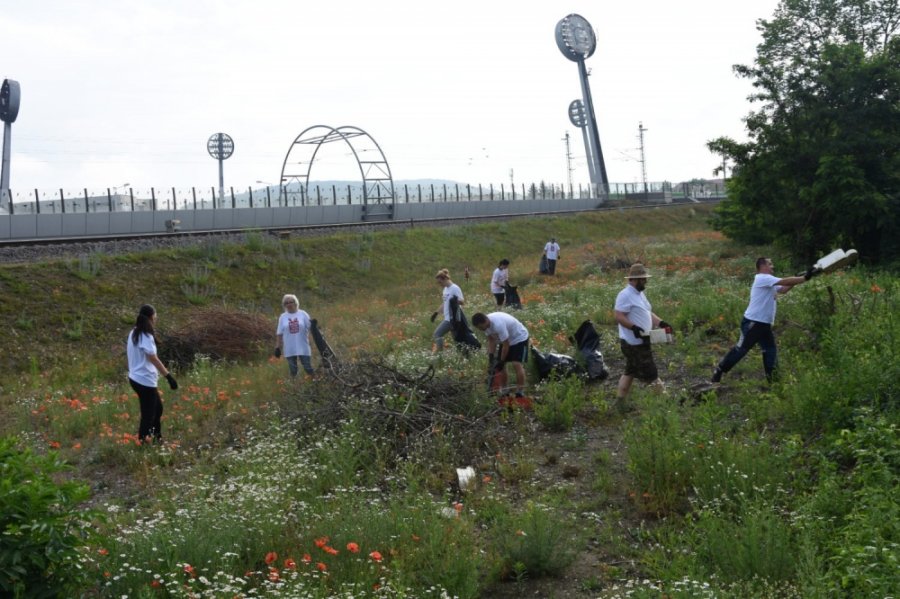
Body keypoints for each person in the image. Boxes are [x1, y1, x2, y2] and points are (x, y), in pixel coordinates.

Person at [712, 257, 819, 383]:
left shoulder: (769, 282)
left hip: (763, 324)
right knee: (741, 350)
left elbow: (784, 289)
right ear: (763, 266)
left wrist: (799, 278)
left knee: (770, 350)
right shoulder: (762, 278)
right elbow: (785, 281)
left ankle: (774, 381)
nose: (772, 266)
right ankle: (719, 370)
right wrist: (805, 278)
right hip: (753, 323)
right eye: (770, 264)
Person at [614, 264, 670, 404]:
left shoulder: (639, 294)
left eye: (645, 279)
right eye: (643, 279)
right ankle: (666, 401)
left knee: (630, 372)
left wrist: (661, 323)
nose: (645, 281)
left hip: (642, 341)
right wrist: (633, 328)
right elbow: (619, 316)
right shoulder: (625, 295)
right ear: (634, 280)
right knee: (651, 373)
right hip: (633, 343)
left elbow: (647, 312)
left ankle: (620, 402)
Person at [126, 304, 177, 444]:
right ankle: (142, 442)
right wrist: (168, 376)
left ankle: (157, 438)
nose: (156, 319)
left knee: (157, 409)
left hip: (135, 378)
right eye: (155, 316)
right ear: (150, 317)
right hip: (144, 380)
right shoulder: (145, 335)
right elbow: (152, 358)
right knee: (149, 414)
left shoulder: (134, 333)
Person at [472, 311, 530, 398]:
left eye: (481, 327)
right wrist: (491, 357)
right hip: (506, 340)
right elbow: (491, 340)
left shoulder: (498, 324)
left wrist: (502, 361)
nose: (481, 329)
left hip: (519, 338)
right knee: (501, 367)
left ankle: (520, 392)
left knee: (516, 364)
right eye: (479, 328)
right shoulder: (486, 326)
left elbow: (506, 345)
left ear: (486, 320)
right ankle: (505, 391)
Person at [275, 293, 315, 377]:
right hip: (289, 347)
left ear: (295, 302)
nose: (289, 304)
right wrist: (277, 347)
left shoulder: (303, 314)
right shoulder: (283, 317)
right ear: (284, 305)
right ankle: (295, 387)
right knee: (293, 370)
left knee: (308, 367)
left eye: (291, 302)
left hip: (303, 345)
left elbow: (311, 327)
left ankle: (315, 382)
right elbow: (279, 333)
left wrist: (315, 326)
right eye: (286, 303)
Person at [431, 269, 465, 352]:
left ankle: (440, 354)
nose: (440, 285)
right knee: (457, 339)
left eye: (440, 282)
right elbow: (444, 302)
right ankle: (463, 355)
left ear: (445, 279)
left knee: (437, 334)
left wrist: (454, 300)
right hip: (447, 317)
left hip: (453, 318)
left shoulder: (455, 288)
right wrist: (436, 313)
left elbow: (462, 302)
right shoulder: (445, 289)